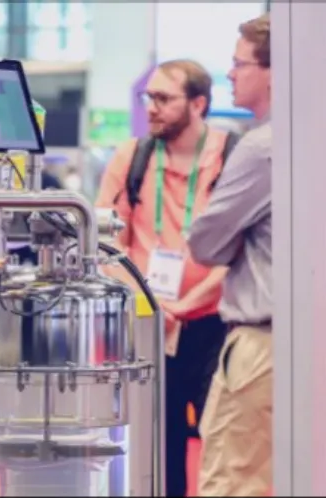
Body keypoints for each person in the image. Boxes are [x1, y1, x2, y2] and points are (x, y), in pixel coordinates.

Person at [95, 59, 236, 498]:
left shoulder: (231, 157)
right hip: (149, 326)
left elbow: (242, 248)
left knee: (223, 446)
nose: (151, 107)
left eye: (163, 98)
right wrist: (151, 303)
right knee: (158, 447)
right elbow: (106, 243)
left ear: (198, 104)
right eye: (148, 97)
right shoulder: (132, 158)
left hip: (215, 324)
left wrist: (187, 302)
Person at [187, 14, 272, 497]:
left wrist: (236, 238)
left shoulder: (261, 147)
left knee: (233, 484)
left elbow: (205, 243)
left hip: (260, 348)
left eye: (240, 64)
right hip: (300, 342)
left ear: (274, 73)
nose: (231, 73)